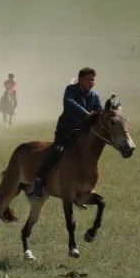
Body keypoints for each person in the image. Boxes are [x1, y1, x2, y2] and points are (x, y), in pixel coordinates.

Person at [32, 67, 102, 198]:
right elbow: (69, 102)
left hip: (82, 133)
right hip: (66, 130)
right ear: (80, 79)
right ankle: (39, 180)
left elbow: (99, 110)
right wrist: (85, 113)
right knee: (57, 150)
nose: (91, 82)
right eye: (88, 79)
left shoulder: (95, 96)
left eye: (93, 80)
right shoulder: (71, 90)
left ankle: (82, 189)